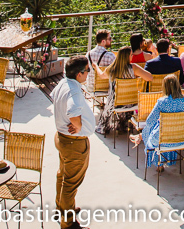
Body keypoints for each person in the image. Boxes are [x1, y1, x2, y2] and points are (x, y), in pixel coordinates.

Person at [53, 55, 95, 229]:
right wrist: (77, 126)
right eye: (87, 71)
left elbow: (54, 96)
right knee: (70, 183)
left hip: (62, 138)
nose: (88, 73)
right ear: (79, 74)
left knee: (62, 176)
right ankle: (68, 223)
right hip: (74, 143)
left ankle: (63, 208)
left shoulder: (64, 83)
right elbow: (73, 109)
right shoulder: (74, 91)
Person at [130, 73, 184, 169]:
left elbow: (149, 122)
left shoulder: (162, 102)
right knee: (157, 125)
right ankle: (140, 137)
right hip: (183, 139)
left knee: (152, 127)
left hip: (165, 140)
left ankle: (159, 164)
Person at [93, 46, 152, 135]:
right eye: (131, 55)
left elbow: (101, 75)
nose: (132, 57)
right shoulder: (133, 68)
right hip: (130, 103)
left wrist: (96, 67)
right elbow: (149, 77)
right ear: (127, 56)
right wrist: (137, 77)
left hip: (114, 104)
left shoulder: (112, 69)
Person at [86, 30, 115, 94]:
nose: (111, 40)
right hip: (107, 88)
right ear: (103, 41)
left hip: (91, 87)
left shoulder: (88, 54)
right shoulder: (110, 56)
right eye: (109, 39)